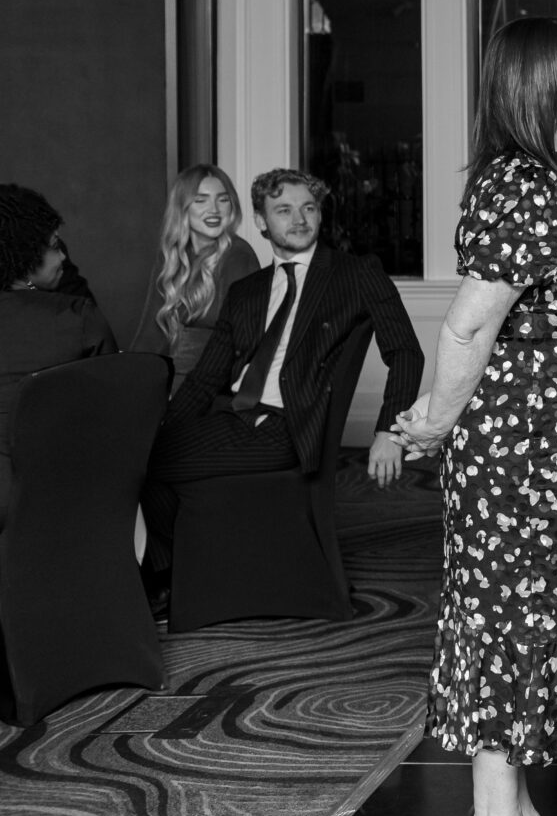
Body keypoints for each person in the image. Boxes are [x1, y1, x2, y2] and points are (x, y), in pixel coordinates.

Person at [391, 17, 557, 816]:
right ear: (533, 84)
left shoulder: (548, 178)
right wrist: (436, 418)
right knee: (511, 622)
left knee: (541, 615)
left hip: (554, 454)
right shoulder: (521, 185)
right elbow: (468, 326)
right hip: (521, 455)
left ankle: (514, 815)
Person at [141, 168, 426, 569]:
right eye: (283, 210)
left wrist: (389, 432)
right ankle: (190, 569)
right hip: (233, 417)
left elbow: (406, 351)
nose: (299, 219)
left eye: (309, 208)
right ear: (261, 221)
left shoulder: (355, 273)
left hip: (288, 426)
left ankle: (170, 574)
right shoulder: (247, 291)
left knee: (146, 465)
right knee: (138, 456)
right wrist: (162, 427)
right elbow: (205, 380)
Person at [0, 184, 117, 528]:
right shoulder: (78, 316)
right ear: (24, 252)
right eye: (54, 246)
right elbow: (115, 409)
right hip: (56, 496)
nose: (63, 257)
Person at [132, 165, 263, 392]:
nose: (214, 210)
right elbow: (150, 335)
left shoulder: (238, 256)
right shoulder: (171, 256)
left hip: (209, 386)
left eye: (223, 200)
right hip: (167, 380)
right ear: (182, 208)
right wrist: (129, 376)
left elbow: (244, 342)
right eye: (201, 200)